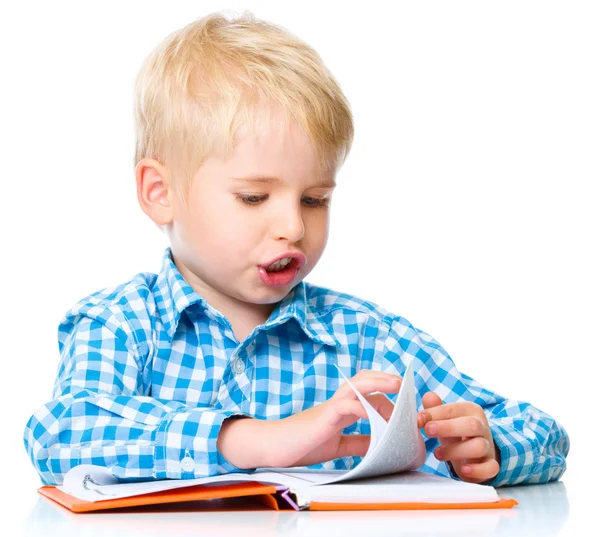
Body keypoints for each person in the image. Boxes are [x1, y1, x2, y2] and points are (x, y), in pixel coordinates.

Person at [23, 11, 568, 487]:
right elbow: (59, 434)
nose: (292, 225)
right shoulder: (118, 323)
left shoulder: (367, 338)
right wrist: (251, 440)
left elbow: (543, 432)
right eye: (254, 196)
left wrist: (490, 446)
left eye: (314, 198)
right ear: (160, 193)